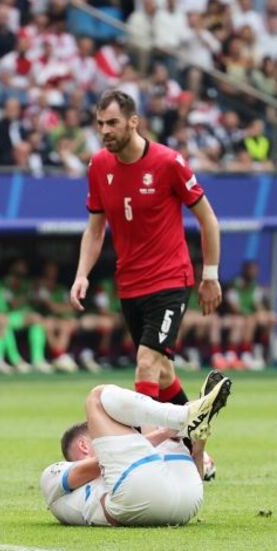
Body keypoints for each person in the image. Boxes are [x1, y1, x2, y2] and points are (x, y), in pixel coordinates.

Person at [71, 89, 223, 410]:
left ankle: (145, 451)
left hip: (170, 279)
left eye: (112, 123)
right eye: (100, 124)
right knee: (163, 373)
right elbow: (95, 228)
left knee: (145, 363)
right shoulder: (98, 165)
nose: (105, 131)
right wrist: (81, 274)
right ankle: (194, 440)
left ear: (133, 122)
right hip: (129, 283)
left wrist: (210, 275)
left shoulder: (169, 163)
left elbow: (208, 219)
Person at [41, 372, 231, 528]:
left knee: (150, 419)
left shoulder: (125, 458)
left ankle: (190, 425)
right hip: (138, 498)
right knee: (97, 397)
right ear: (84, 445)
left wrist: (197, 450)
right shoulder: (53, 474)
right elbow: (99, 464)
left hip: (188, 498)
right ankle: (184, 417)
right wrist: (166, 432)